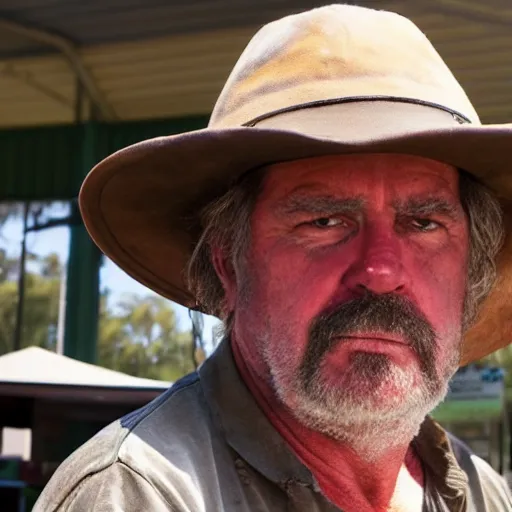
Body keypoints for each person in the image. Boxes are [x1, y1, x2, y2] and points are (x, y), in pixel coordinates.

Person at [35, 4, 512, 511]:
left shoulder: (483, 494)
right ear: (228, 263)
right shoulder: (138, 494)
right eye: (324, 221)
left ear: (472, 274)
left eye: (424, 224)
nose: (381, 271)